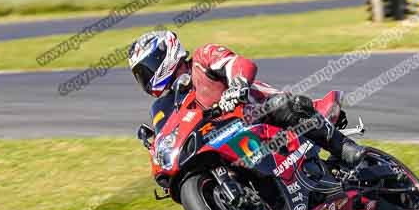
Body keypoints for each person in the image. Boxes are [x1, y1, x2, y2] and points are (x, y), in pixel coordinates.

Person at [127, 30, 366, 170]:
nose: (146, 79)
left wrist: (238, 85)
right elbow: (170, 133)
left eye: (146, 70)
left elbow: (239, 64)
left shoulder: (202, 58)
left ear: (164, 56)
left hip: (261, 114)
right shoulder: (166, 105)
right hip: (227, 142)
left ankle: (343, 147)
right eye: (140, 76)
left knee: (280, 106)